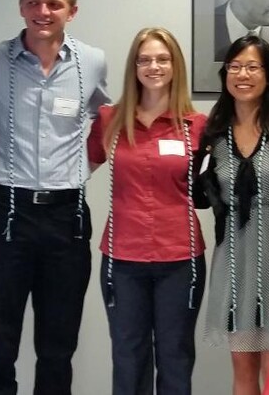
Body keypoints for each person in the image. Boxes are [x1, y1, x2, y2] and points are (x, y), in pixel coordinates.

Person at [0, 0, 111, 395]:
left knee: (57, 346)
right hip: (7, 214)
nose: (42, 11)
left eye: (53, 4)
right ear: (21, 6)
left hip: (68, 218)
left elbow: (107, 115)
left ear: (72, 10)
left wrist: (86, 163)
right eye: (33, 2)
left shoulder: (92, 61)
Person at [87, 27, 207, 395]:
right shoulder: (110, 120)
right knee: (128, 356)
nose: (153, 66)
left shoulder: (198, 126)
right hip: (123, 260)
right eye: (145, 59)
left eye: (162, 59)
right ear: (134, 67)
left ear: (176, 66)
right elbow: (73, 169)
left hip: (180, 259)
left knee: (175, 356)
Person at [194, 35, 269, 395]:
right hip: (233, 256)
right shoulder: (213, 134)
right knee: (243, 373)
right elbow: (198, 194)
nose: (243, 74)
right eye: (235, 66)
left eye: (253, 66)